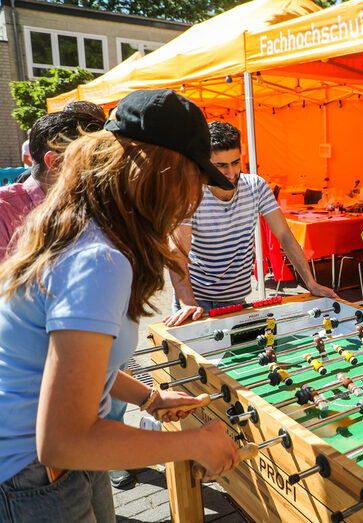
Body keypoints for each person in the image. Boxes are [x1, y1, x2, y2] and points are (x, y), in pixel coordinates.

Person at [0, 89, 241, 521]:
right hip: (29, 476)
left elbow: (74, 366)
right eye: (196, 178)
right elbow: (62, 439)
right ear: (162, 173)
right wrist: (194, 443)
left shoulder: (91, 231)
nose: (196, 196)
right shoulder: (100, 259)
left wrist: (148, 397)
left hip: (54, 467)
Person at [164, 121, 335, 327]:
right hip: (196, 300)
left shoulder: (256, 186)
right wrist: (187, 302)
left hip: (237, 299)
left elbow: (285, 236)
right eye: (221, 166)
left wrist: (310, 283)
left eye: (235, 162)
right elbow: (177, 251)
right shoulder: (189, 193)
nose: (231, 173)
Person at [0, 111, 104, 262]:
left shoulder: (94, 204)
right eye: (93, 161)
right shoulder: (5, 210)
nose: (103, 170)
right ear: (56, 163)